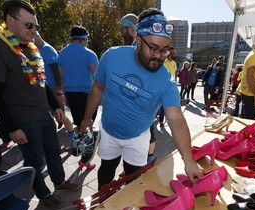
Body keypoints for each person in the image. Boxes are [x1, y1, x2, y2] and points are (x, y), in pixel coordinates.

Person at [80, 8, 203, 190]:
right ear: (138, 38)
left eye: (165, 51)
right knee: (106, 169)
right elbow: (98, 87)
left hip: (137, 138)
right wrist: (87, 118)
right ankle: (103, 204)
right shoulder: (112, 56)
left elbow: (176, 118)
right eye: (153, 48)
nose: (158, 56)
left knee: (134, 180)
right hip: (108, 131)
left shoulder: (166, 81)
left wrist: (188, 159)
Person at [0, 0, 81, 209]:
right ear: (10, 21)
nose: (34, 30)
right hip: (24, 120)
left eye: (36, 26)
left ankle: (59, 182)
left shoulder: (31, 47)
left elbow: (42, 82)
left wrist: (56, 106)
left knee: (53, 152)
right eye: (29, 25)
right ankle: (43, 194)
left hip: (44, 115)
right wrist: (11, 128)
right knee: (34, 161)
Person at [58, 25, 99, 170]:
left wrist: (63, 94)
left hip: (70, 93)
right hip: (85, 95)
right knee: (88, 127)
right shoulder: (89, 53)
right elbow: (98, 77)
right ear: (83, 39)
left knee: (78, 124)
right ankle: (85, 160)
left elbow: (61, 77)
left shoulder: (62, 53)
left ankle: (76, 147)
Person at [120, 13, 156, 162]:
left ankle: (146, 163)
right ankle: (145, 162)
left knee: (146, 132)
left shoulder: (139, 45)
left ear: (130, 28)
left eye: (122, 28)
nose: (121, 31)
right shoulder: (138, 44)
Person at [33, 31, 76, 151]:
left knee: (60, 116)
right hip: (42, 88)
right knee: (50, 116)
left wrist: (58, 89)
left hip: (52, 89)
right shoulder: (35, 48)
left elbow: (56, 71)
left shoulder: (47, 49)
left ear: (37, 35)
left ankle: (73, 139)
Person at [161, 46, 178, 126]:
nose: (173, 54)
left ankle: (168, 120)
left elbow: (175, 73)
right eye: (172, 52)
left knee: (169, 105)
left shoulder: (174, 63)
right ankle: (161, 121)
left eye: (173, 53)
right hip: (163, 86)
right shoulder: (164, 62)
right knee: (161, 106)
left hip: (171, 86)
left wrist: (175, 82)